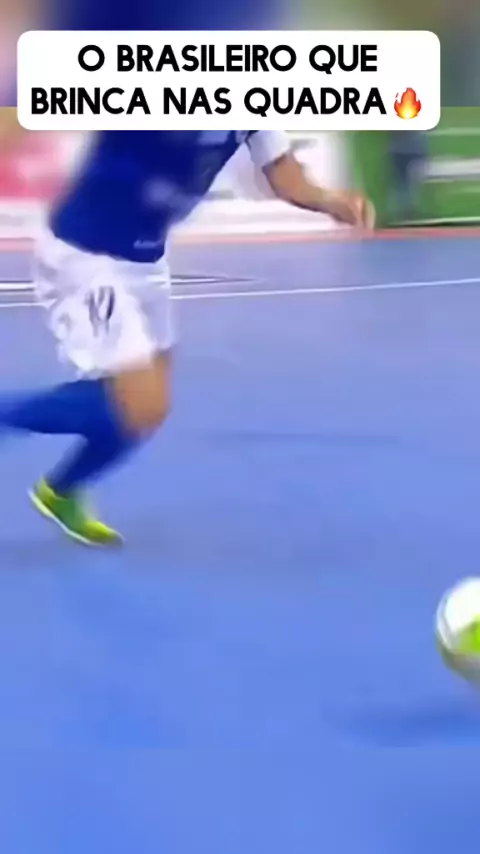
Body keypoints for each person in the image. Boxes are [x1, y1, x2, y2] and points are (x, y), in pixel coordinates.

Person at [0, 129, 374, 546]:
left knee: (148, 409)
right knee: (137, 399)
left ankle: (61, 491)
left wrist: (330, 201)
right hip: (85, 255)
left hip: (145, 263)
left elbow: (284, 173)